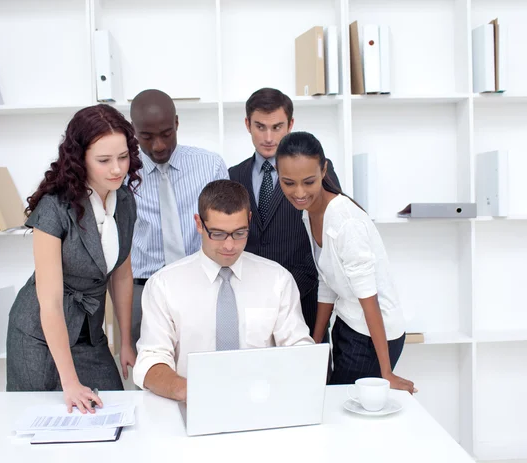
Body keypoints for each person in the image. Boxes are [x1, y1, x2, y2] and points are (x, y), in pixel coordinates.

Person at [6, 104, 141, 412]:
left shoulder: (125, 200)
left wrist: (124, 342)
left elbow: (121, 274)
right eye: (104, 160)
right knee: (42, 423)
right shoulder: (55, 208)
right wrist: (70, 382)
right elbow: (50, 302)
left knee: (112, 410)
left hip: (90, 335)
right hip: (39, 336)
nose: (118, 169)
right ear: (80, 159)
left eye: (123, 157)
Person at [133, 180, 313, 401]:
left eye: (239, 233)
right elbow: (151, 360)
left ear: (249, 220)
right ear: (199, 224)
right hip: (189, 405)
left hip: (262, 404)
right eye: (217, 234)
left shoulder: (277, 280)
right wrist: (190, 392)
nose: (229, 246)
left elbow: (299, 349)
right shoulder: (163, 285)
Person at [275, 131, 416, 393]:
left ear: (324, 170)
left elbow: (368, 297)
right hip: (349, 324)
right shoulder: (310, 213)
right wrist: (317, 343)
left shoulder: (345, 221)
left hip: (373, 334)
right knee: (334, 402)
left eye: (308, 181)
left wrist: (386, 373)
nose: (299, 192)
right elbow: (327, 282)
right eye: (289, 183)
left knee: (343, 411)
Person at [229, 88, 341, 340]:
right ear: (247, 124)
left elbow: (330, 234)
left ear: (290, 124)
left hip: (305, 294)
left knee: (311, 372)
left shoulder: (319, 170)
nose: (269, 137)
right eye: (260, 127)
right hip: (251, 298)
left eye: (277, 127)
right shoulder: (235, 175)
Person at [129, 89, 229, 350]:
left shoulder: (210, 166)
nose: (159, 146)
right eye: (147, 137)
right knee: (150, 371)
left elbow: (226, 229)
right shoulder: (122, 173)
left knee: (206, 362)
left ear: (176, 123)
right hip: (142, 288)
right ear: (134, 131)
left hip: (202, 282)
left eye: (166, 134)